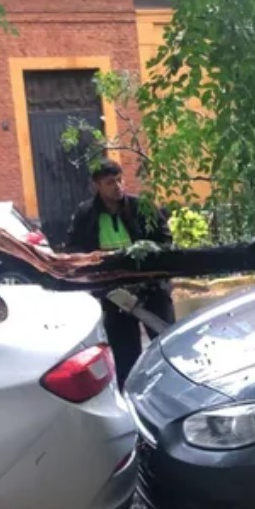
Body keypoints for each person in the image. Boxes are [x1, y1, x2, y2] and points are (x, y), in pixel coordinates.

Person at [65, 159, 176, 387]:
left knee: (166, 344)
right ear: (97, 185)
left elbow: (165, 241)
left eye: (119, 179)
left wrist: (146, 255)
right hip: (113, 294)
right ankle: (132, 400)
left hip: (150, 289)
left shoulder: (141, 207)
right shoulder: (85, 214)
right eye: (109, 182)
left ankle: (172, 390)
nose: (117, 186)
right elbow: (74, 250)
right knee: (126, 356)